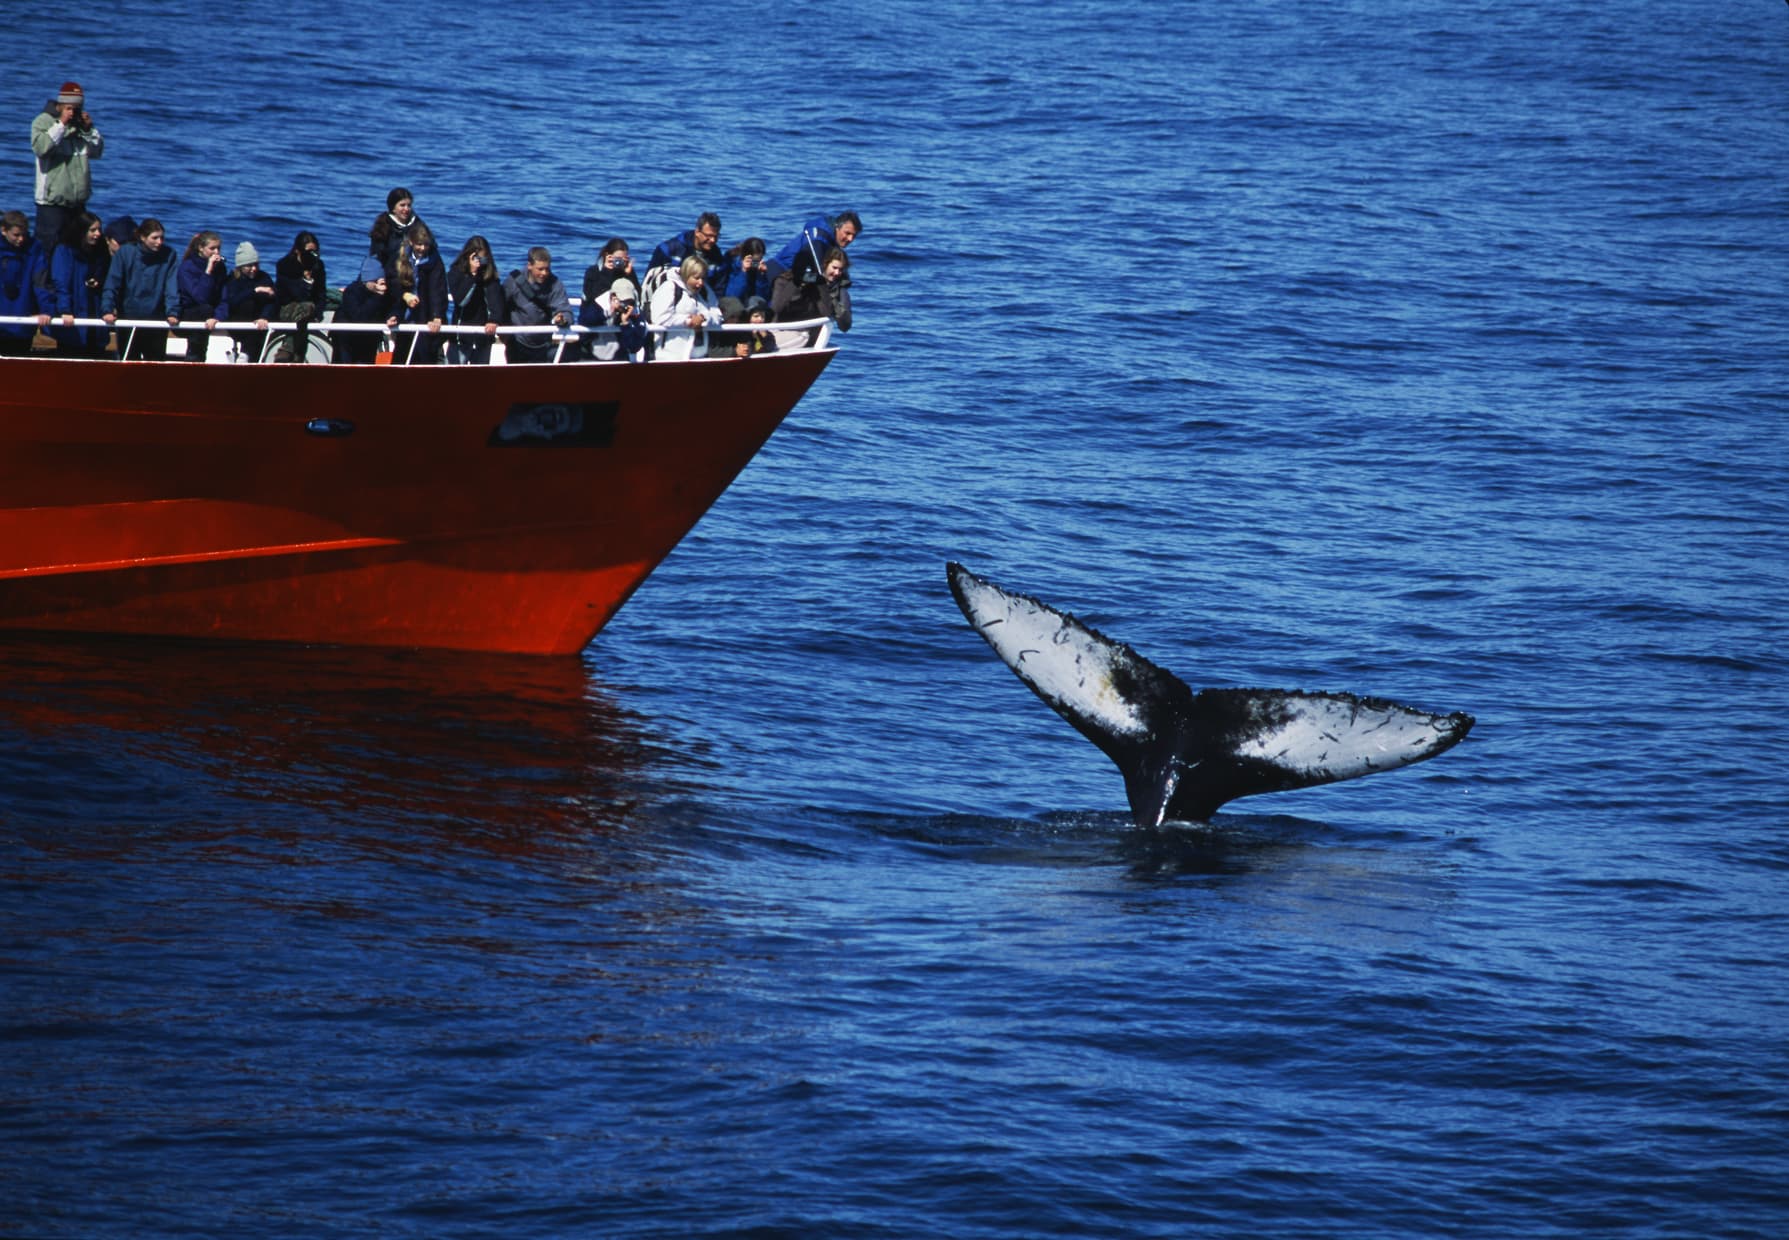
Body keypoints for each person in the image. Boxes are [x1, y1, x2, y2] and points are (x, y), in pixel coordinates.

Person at [29, 82, 103, 260]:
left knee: (77, 249)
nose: (73, 112)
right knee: (48, 250)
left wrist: (88, 129)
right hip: (51, 203)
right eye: (70, 107)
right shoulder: (43, 121)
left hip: (77, 203)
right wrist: (61, 124)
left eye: (78, 108)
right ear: (60, 104)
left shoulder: (80, 126)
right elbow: (41, 148)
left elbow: (97, 152)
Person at [100, 217, 177, 360]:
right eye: (155, 238)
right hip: (128, 317)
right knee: (128, 360)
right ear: (142, 237)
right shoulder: (125, 253)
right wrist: (107, 309)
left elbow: (171, 286)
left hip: (156, 319)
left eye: (162, 238)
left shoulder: (169, 254)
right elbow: (112, 283)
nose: (159, 242)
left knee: (155, 363)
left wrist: (172, 312)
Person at [43, 211, 110, 357]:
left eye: (99, 229)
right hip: (74, 312)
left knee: (96, 350)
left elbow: (105, 273)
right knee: (72, 351)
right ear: (82, 231)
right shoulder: (65, 250)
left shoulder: (100, 250)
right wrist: (65, 310)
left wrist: (98, 280)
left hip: (94, 308)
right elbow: (60, 282)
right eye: (93, 230)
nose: (98, 234)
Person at [501, 247, 573, 364]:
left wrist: (563, 319)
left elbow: (564, 309)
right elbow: (500, 306)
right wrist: (503, 331)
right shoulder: (513, 282)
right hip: (517, 343)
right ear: (529, 265)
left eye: (547, 269)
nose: (544, 273)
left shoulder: (555, 284)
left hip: (544, 344)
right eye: (540, 269)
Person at [649, 253, 723, 361]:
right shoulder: (669, 288)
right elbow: (660, 318)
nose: (700, 283)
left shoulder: (706, 291)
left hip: (700, 356)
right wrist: (688, 321)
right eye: (696, 278)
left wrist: (703, 318)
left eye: (703, 278)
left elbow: (718, 315)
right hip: (669, 357)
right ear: (686, 275)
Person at [390, 221, 446, 364]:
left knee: (425, 357)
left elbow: (438, 290)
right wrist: (404, 295)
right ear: (411, 242)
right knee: (401, 357)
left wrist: (437, 316)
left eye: (426, 244)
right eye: (419, 244)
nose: (422, 248)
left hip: (425, 315)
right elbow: (393, 283)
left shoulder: (434, 261)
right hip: (404, 315)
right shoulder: (400, 257)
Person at [771, 245, 852, 344]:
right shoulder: (783, 281)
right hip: (782, 330)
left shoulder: (826, 285)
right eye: (834, 268)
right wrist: (796, 283)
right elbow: (776, 308)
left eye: (840, 269)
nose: (837, 273)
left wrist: (822, 286)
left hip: (809, 335)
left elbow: (828, 314)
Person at [445, 234, 506, 364]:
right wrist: (473, 275)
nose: (480, 262)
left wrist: (494, 320)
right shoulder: (455, 273)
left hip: (483, 337)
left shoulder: (490, 277)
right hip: (460, 335)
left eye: (483, 258)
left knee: (480, 373)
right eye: (476, 258)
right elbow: (461, 300)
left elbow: (495, 301)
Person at [333, 255, 399, 364]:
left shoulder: (386, 292)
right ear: (367, 281)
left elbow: (394, 306)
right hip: (346, 339)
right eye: (375, 281)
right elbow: (359, 317)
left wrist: (392, 316)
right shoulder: (352, 292)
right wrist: (377, 296)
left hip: (369, 338)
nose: (379, 284)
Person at [272, 231, 326, 362]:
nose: (312, 256)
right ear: (298, 251)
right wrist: (307, 281)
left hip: (308, 312)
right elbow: (297, 295)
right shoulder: (285, 265)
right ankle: (288, 351)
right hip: (286, 308)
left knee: (307, 313)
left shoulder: (318, 266)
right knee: (307, 307)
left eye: (315, 252)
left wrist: (318, 315)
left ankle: (292, 354)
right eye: (309, 252)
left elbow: (321, 293)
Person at [175, 231, 227, 360]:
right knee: (205, 309)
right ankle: (193, 359)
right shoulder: (187, 267)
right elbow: (200, 297)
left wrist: (217, 317)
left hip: (209, 313)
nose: (216, 252)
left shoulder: (221, 268)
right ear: (201, 248)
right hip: (187, 313)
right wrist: (208, 271)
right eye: (212, 248)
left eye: (218, 248)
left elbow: (224, 297)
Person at [0, 211, 47, 356]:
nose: (21, 239)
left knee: (19, 356)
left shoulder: (35, 248)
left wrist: (45, 309)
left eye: (24, 235)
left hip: (22, 317)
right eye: (16, 235)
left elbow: (41, 282)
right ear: (3, 230)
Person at [767, 210, 860, 281]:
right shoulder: (818, 239)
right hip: (777, 274)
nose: (850, 239)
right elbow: (818, 272)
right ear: (837, 227)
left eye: (854, 236)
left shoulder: (831, 241)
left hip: (794, 276)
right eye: (847, 233)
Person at [222, 242, 277, 361]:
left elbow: (271, 301)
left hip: (259, 323)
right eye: (249, 266)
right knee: (248, 303)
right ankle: (245, 354)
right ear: (241, 266)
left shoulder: (264, 278)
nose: (254, 269)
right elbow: (232, 302)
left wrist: (264, 317)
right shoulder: (233, 280)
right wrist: (255, 291)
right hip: (237, 322)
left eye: (256, 264)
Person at [580, 277, 648, 362]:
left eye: (629, 302)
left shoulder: (633, 309)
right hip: (593, 354)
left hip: (620, 356)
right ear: (613, 296)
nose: (626, 305)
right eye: (623, 301)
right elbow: (585, 321)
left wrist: (625, 323)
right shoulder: (599, 304)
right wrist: (608, 312)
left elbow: (635, 346)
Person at [647, 212, 723, 283]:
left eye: (716, 236)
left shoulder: (716, 256)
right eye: (709, 236)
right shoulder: (668, 249)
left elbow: (718, 286)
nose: (713, 240)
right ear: (697, 232)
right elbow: (649, 278)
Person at [713, 236, 772, 322]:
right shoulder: (732, 265)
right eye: (754, 260)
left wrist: (761, 276)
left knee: (759, 306)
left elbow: (763, 297)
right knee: (735, 306)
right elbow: (732, 295)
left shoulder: (757, 269)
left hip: (748, 304)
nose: (755, 263)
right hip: (730, 303)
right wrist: (743, 272)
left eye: (758, 259)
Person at [368, 187, 425, 268]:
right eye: (402, 205)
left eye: (409, 205)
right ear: (393, 208)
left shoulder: (419, 226)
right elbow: (376, 259)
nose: (406, 209)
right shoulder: (382, 228)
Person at [582, 237, 636, 305]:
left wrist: (627, 275)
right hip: (597, 309)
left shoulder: (627, 271)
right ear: (608, 256)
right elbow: (592, 296)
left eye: (623, 259)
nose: (620, 262)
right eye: (618, 259)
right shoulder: (593, 271)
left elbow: (636, 294)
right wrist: (607, 271)